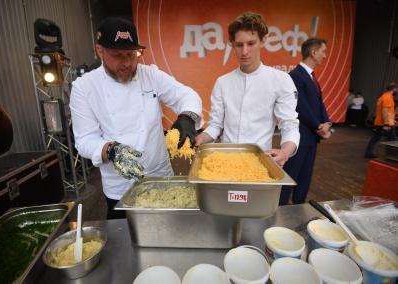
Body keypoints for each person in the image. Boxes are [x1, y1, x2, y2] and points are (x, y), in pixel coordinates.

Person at [70, 17, 203, 219]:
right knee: (126, 241)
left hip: (160, 177)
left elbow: (187, 95)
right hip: (120, 187)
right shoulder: (85, 87)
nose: (127, 63)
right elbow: (84, 140)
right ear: (100, 51)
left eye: (132, 54)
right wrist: (111, 150)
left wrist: (188, 117)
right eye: (117, 55)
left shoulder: (150, 75)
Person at [195, 11, 300, 167]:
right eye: (239, 45)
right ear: (232, 44)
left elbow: (289, 125)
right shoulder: (223, 82)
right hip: (226, 162)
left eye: (251, 43)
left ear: (263, 41)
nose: (244, 51)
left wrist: (284, 152)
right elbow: (216, 125)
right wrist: (200, 139)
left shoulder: (280, 80)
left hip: (260, 162)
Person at [280, 38, 332, 205]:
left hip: (312, 137)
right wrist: (318, 126)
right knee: (291, 174)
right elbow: (301, 106)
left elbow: (318, 104)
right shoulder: (295, 76)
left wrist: (327, 123)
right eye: (323, 52)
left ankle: (299, 207)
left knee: (305, 175)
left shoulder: (311, 77)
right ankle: (281, 207)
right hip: (299, 136)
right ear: (313, 52)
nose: (325, 56)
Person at [364, 83, 398, 159]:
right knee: (394, 139)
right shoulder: (388, 97)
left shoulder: (383, 96)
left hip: (381, 122)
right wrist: (386, 124)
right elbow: (384, 111)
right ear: (394, 88)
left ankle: (368, 153)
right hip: (385, 123)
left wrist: (393, 120)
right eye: (397, 89)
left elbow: (388, 111)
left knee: (376, 138)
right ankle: (393, 157)